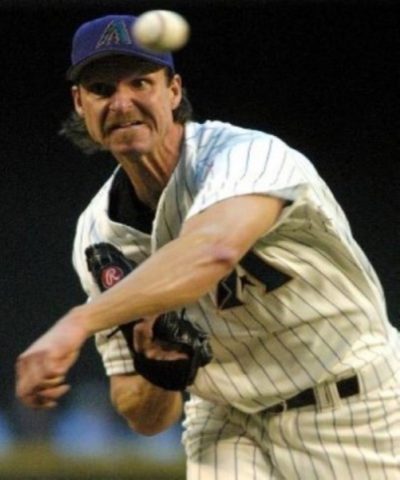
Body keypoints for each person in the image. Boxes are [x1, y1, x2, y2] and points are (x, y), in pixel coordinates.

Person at [15, 14, 400, 479]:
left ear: (173, 92)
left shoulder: (248, 155)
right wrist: (158, 372)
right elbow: (146, 418)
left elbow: (212, 251)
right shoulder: (98, 236)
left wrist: (77, 322)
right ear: (80, 103)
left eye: (140, 82)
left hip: (352, 404)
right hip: (226, 421)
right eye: (101, 89)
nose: (121, 102)